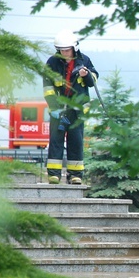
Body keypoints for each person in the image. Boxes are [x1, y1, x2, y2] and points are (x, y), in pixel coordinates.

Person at [43, 29, 98, 185]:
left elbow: (93, 80)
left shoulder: (84, 61)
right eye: (61, 50)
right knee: (55, 141)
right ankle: (54, 174)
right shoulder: (52, 62)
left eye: (67, 50)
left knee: (76, 142)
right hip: (58, 110)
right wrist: (54, 107)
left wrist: (86, 75)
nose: (65, 53)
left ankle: (75, 175)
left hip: (77, 111)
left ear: (74, 48)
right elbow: (47, 87)